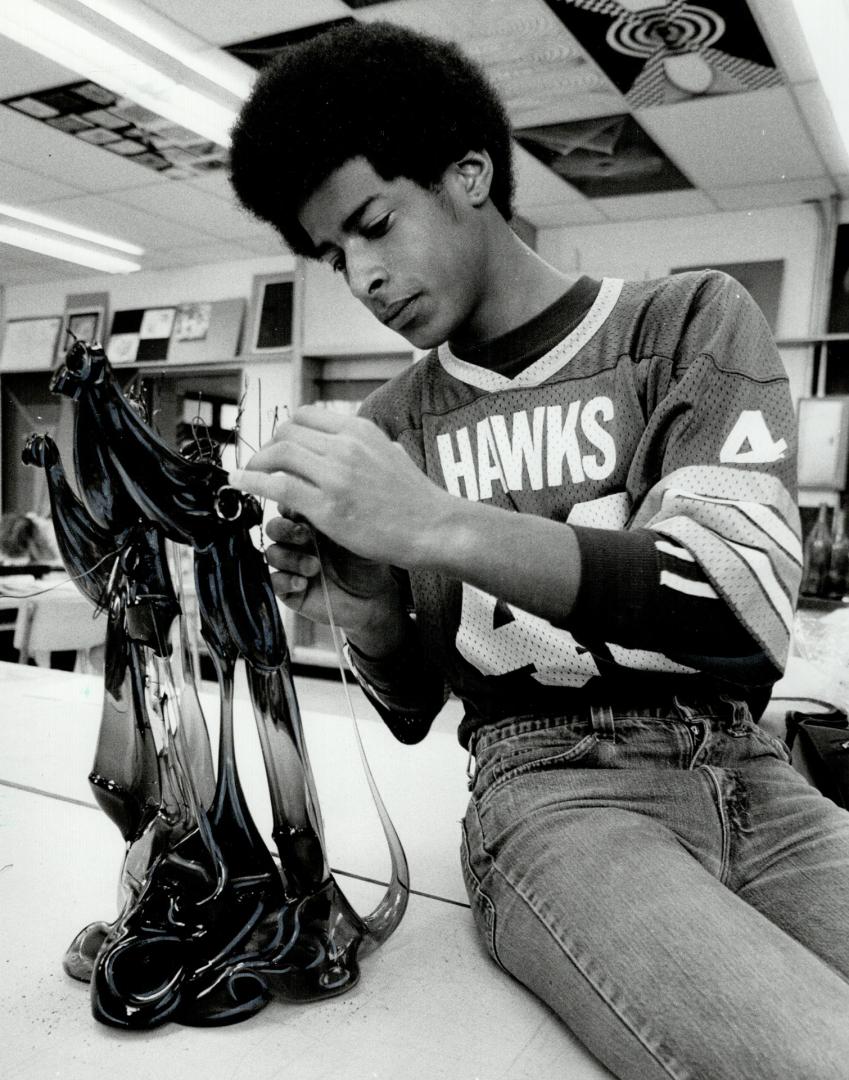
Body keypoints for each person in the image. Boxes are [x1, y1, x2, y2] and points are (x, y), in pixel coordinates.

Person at [227, 21, 849, 1080]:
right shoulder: (390, 422)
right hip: (551, 795)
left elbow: (742, 612)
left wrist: (429, 523)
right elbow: (412, 711)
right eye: (336, 257)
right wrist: (361, 582)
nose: (365, 278)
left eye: (375, 224)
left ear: (471, 171)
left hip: (752, 768)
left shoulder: (688, 320)